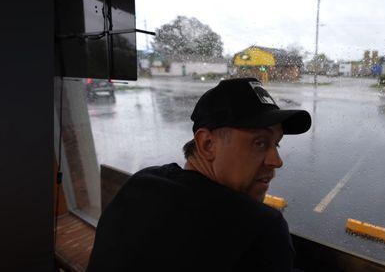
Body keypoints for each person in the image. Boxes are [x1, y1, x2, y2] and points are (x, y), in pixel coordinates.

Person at [87, 78, 312, 271]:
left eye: (277, 145)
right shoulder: (261, 228)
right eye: (260, 143)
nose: (277, 161)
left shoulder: (141, 182)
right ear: (207, 145)